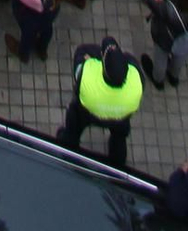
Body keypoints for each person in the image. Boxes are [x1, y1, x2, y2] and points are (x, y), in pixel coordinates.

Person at [55, 35, 146, 168]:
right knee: (119, 138)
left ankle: (67, 149)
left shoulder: (87, 74)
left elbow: (82, 52)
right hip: (119, 117)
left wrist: (97, 56)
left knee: (73, 129)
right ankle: (117, 163)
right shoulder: (137, 80)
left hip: (86, 112)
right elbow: (131, 60)